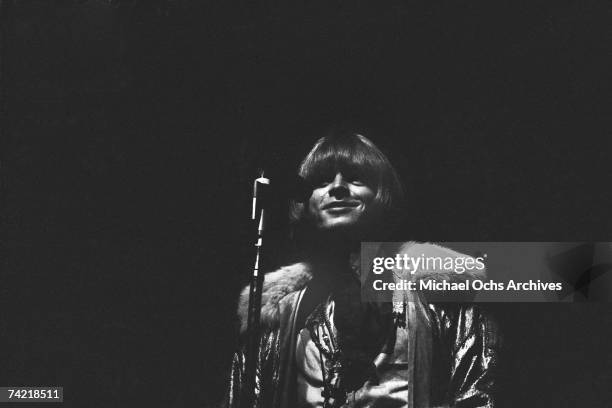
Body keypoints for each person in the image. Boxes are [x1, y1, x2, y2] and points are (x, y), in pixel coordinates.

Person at [225, 130, 499, 408]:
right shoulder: (277, 310)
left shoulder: (440, 291)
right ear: (303, 201)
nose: (338, 187)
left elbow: (478, 396)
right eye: (321, 181)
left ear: (381, 194)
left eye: (355, 178)